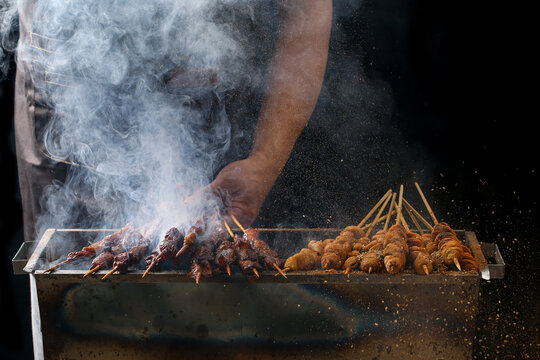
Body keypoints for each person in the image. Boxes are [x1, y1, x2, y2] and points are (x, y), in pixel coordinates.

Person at [14, 0, 332, 243]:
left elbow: (306, 8)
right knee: (71, 308)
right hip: (65, 105)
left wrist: (264, 161)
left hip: (215, 110)